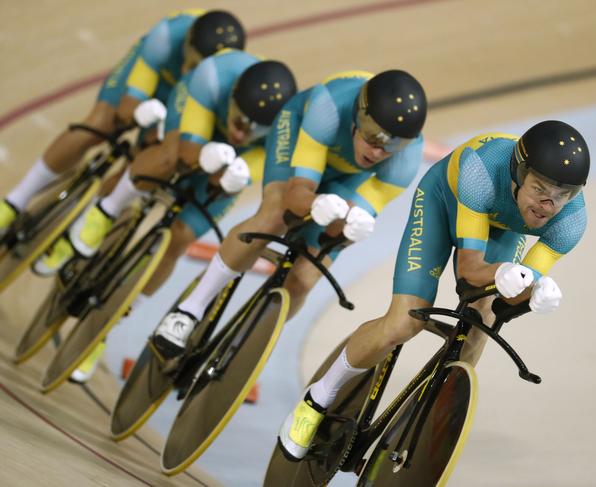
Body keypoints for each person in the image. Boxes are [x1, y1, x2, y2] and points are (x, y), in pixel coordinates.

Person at [277, 120, 590, 460]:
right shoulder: (480, 171)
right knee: (403, 323)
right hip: (445, 202)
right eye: (540, 190)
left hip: (499, 227)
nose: (548, 205)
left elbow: (513, 292)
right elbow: (470, 272)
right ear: (519, 173)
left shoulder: (571, 222)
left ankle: (422, 422)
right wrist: (503, 272)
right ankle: (316, 399)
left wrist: (533, 296)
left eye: (561, 196)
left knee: (478, 329)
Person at [151, 69, 429, 359]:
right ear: (360, 115)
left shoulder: (404, 162)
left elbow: (337, 233)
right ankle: (189, 311)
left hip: (346, 179)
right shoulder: (329, 107)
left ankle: (249, 347)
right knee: (274, 215)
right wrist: (314, 204)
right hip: (299, 137)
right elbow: (298, 193)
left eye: (393, 145)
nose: (379, 151)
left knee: (307, 275)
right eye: (374, 136)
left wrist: (347, 229)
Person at [65, 52, 297, 383]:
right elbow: (185, 149)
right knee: (166, 160)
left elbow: (269, 164)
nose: (243, 133)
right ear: (231, 98)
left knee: (181, 236)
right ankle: (105, 212)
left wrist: (242, 174)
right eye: (240, 121)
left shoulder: (283, 127)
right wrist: (198, 154)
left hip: (234, 160)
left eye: (256, 129)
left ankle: (107, 326)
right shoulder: (213, 77)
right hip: (192, 121)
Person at [0, 9, 246, 237]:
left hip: (190, 104)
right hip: (156, 83)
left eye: (197, 71)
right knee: (100, 124)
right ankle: (16, 200)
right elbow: (130, 101)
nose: (189, 72)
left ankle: (93, 217)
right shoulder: (168, 34)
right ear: (186, 45)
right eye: (190, 64)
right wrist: (134, 111)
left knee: (151, 158)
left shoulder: (219, 84)